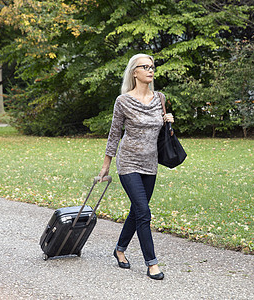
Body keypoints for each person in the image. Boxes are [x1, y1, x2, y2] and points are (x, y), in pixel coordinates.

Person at [98, 53, 174, 280]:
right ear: (135, 72)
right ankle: (152, 263)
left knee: (137, 211)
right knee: (144, 212)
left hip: (150, 164)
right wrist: (106, 164)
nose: (151, 70)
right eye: (145, 67)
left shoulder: (159, 98)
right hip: (128, 162)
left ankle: (119, 249)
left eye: (152, 67)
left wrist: (168, 121)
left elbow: (160, 132)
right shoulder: (123, 101)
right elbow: (114, 134)